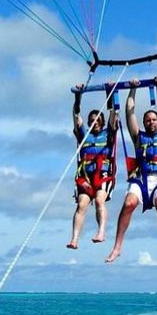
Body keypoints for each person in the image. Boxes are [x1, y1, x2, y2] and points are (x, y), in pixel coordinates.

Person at [106, 76, 157, 265]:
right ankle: (117, 247)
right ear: (145, 123)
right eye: (148, 120)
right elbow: (130, 113)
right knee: (129, 203)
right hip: (141, 179)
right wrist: (132, 89)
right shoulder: (139, 137)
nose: (151, 122)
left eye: (154, 120)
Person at [66, 84, 118, 249]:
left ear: (102, 122)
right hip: (86, 177)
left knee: (99, 201)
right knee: (81, 204)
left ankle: (101, 232)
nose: (95, 122)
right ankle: (74, 239)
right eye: (92, 120)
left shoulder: (108, 133)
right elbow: (76, 115)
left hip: (103, 175)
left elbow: (113, 114)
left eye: (98, 120)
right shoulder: (84, 135)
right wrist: (77, 96)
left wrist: (110, 92)